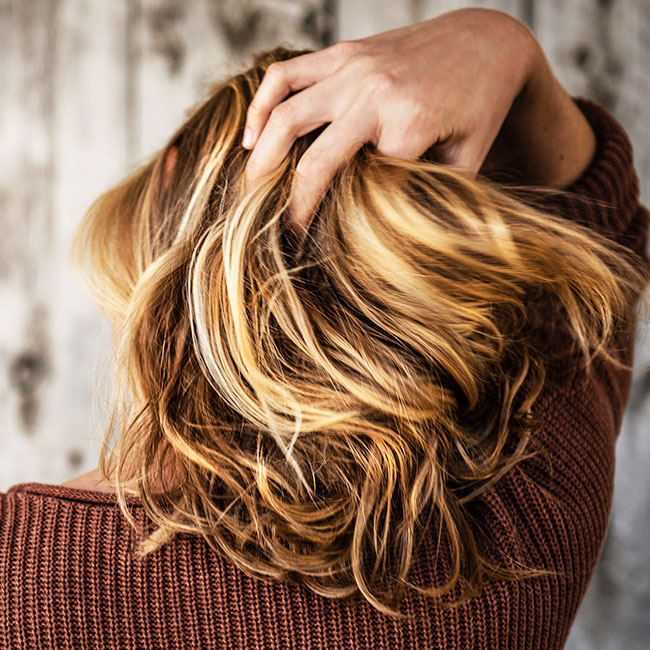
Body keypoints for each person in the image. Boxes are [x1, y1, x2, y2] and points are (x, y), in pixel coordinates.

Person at [1, 7, 649, 649]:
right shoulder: (520, 526)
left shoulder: (20, 572)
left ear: (171, 181)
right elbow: (605, 233)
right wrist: (506, 47)